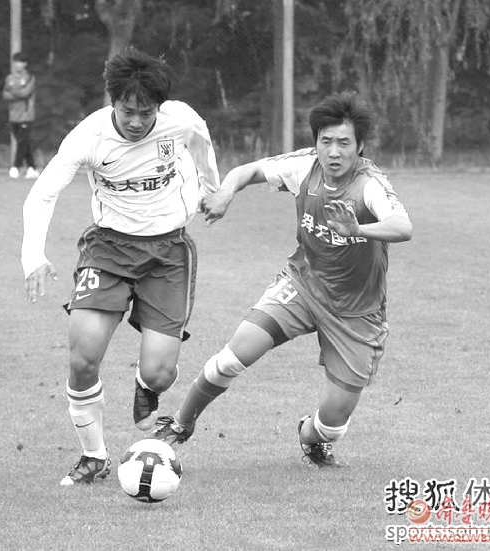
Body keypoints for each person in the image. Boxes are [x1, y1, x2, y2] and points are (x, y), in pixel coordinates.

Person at [153, 92, 413, 467]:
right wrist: (225, 193)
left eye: (344, 143)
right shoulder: (305, 167)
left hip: (356, 311)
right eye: (326, 141)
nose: (334, 152)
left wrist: (358, 229)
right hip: (303, 285)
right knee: (232, 357)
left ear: (360, 147)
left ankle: (310, 436)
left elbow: (403, 226)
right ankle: (180, 424)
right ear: (316, 142)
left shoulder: (370, 184)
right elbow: (247, 171)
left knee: (332, 422)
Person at [21, 47, 220, 485]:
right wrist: (33, 255)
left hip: (167, 253)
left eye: (145, 113)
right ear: (113, 102)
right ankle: (94, 456)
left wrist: (213, 188)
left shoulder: (179, 120)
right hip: (108, 249)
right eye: (127, 111)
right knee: (83, 357)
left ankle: (146, 387)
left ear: (159, 107)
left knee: (159, 372)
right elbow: (44, 193)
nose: (135, 121)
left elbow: (202, 137)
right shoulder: (88, 137)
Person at [2, 52, 39, 179]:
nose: (18, 64)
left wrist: (13, 91)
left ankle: (15, 167)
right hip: (13, 116)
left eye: (21, 62)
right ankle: (32, 168)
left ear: (25, 64)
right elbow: (5, 94)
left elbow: (25, 93)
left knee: (22, 142)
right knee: (24, 142)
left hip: (26, 116)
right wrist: (17, 92)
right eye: (16, 62)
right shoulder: (9, 78)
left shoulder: (30, 78)